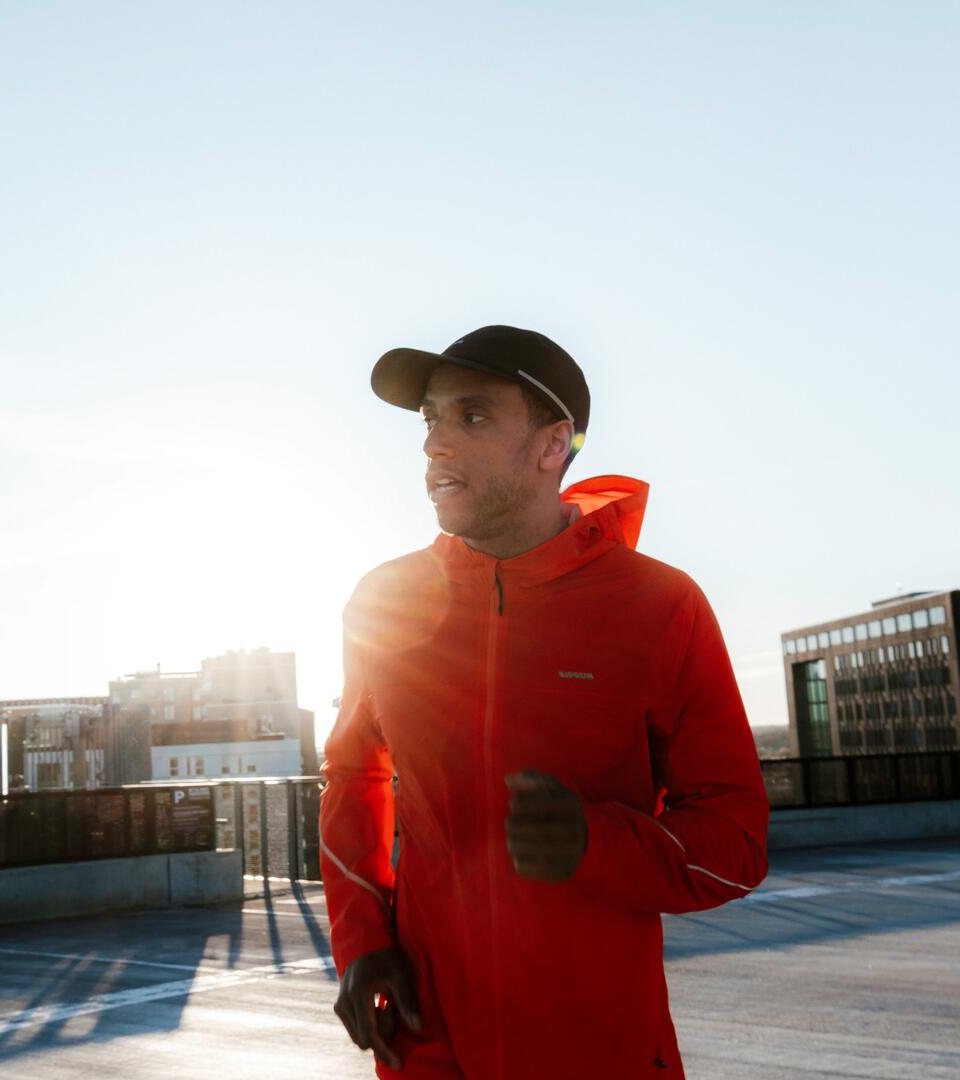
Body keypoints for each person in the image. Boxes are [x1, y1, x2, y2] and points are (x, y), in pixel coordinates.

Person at [319, 325, 769, 1078]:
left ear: (553, 444)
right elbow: (354, 777)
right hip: (430, 1044)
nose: (434, 445)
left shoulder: (660, 607)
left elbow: (737, 843)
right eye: (431, 418)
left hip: (602, 1047)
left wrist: (596, 845)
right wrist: (363, 943)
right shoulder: (385, 601)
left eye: (472, 416)